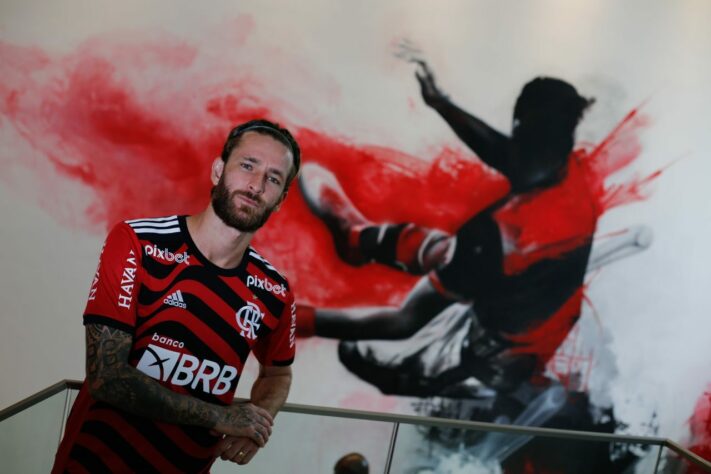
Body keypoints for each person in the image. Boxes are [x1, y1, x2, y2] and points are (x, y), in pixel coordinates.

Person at [297, 61, 598, 397]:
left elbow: (403, 321)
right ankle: (356, 239)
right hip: (527, 320)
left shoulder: (499, 236)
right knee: (451, 253)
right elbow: (507, 154)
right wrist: (441, 103)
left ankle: (357, 240)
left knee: (359, 352)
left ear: (519, 129)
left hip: (489, 354)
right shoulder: (570, 171)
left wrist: (300, 320)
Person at [52, 119, 301, 473]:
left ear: (280, 200)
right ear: (218, 170)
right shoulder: (138, 242)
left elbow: (278, 375)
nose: (256, 185)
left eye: (273, 178)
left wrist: (257, 423)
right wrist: (223, 418)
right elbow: (107, 377)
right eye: (248, 165)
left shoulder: (275, 290)